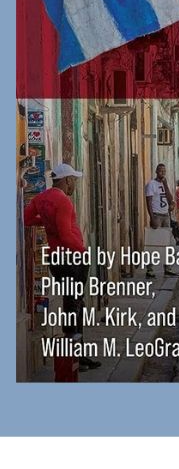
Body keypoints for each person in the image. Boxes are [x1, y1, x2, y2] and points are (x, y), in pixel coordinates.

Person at [23, 162, 95, 382]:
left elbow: (27, 219)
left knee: (72, 303)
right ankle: (74, 358)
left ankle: (78, 355)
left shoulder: (41, 198)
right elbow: (65, 235)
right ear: (66, 181)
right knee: (74, 305)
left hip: (56, 258)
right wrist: (82, 252)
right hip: (71, 258)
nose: (74, 184)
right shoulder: (63, 201)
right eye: (73, 180)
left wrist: (46, 222)